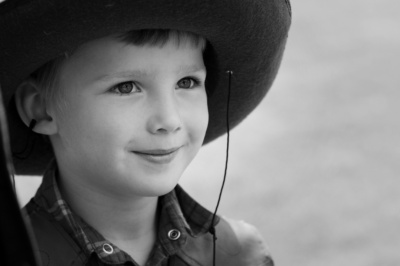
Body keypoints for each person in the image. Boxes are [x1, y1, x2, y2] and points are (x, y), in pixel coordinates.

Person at [0, 1, 291, 265]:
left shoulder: (238, 254)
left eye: (187, 82)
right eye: (126, 87)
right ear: (40, 109)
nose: (168, 119)